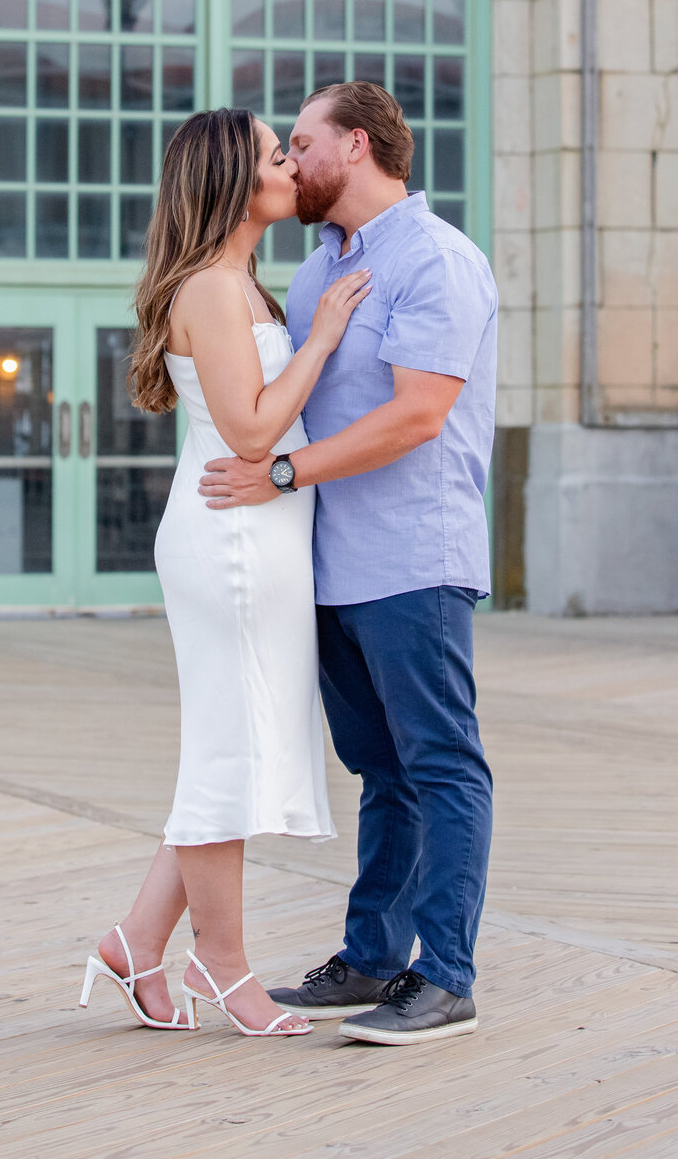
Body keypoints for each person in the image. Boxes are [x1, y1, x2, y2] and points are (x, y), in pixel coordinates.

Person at [200, 81, 498, 1045]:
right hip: (330, 565)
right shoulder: (316, 270)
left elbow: (417, 415)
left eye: (300, 142)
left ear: (357, 147)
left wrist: (281, 473)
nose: (289, 161)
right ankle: (373, 959)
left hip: (415, 557)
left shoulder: (439, 262)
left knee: (441, 765)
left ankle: (445, 975)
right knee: (380, 770)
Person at [79, 107, 371, 1040]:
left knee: (228, 744)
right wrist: (322, 337)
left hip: (261, 534)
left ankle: (136, 942)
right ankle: (225, 965)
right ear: (234, 184)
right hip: (235, 543)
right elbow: (249, 429)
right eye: (275, 155)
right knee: (223, 750)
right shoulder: (211, 286)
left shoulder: (237, 279)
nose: (291, 166)